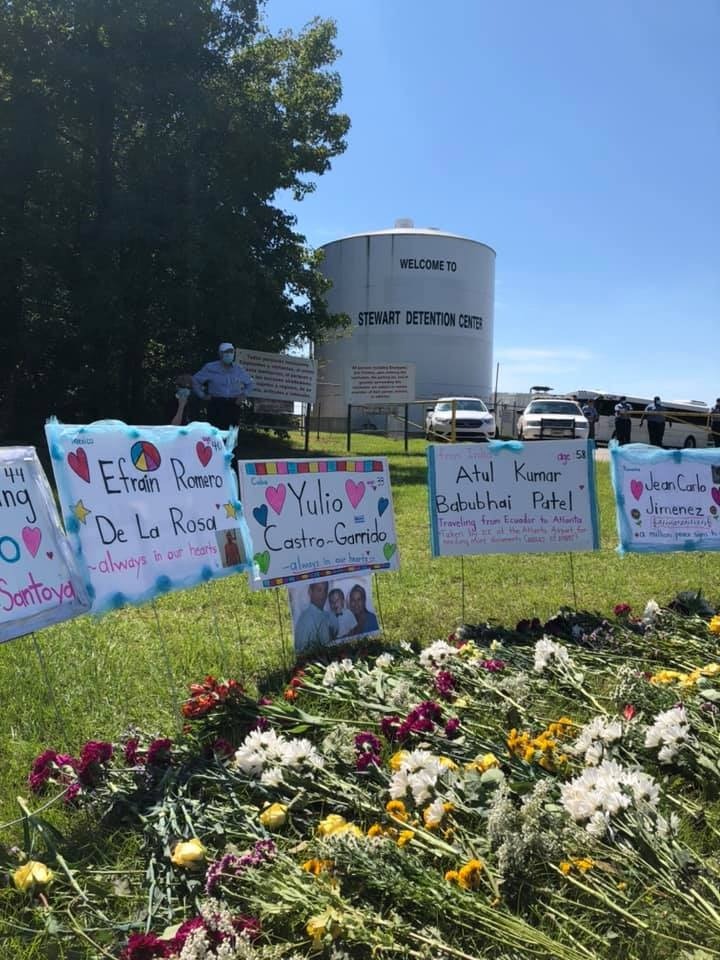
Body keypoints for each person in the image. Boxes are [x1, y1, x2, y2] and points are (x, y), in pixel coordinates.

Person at [192, 342, 255, 430]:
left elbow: (250, 383)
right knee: (215, 435)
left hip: (233, 404)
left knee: (231, 436)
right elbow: (195, 380)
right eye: (226, 352)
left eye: (231, 352)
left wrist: (243, 395)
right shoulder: (210, 367)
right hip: (216, 404)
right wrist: (202, 395)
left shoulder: (238, 369)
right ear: (220, 354)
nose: (229, 354)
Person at [294, 582, 338, 652]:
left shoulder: (327, 615)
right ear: (310, 592)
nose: (323, 595)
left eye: (325, 590)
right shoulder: (306, 619)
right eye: (319, 590)